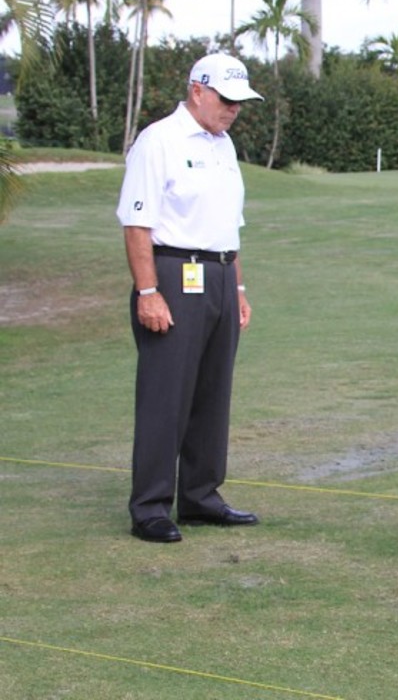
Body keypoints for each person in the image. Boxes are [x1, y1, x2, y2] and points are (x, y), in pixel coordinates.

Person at [116, 53, 264, 543]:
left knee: (211, 393)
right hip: (174, 273)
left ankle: (201, 496)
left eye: (240, 102)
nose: (233, 110)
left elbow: (230, 227)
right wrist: (148, 291)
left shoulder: (224, 146)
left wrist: (238, 287)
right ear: (197, 90)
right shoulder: (159, 141)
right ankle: (151, 507)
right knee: (166, 395)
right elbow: (137, 224)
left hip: (220, 274)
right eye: (226, 99)